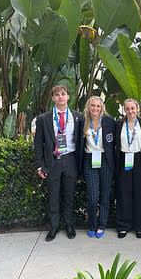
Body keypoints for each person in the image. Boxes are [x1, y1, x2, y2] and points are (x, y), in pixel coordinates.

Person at [34, 85, 83, 241]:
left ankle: (69, 225)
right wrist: (40, 165)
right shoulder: (43, 119)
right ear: (53, 98)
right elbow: (38, 143)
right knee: (53, 196)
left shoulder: (78, 117)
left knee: (69, 195)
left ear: (68, 97)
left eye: (63, 94)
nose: (61, 97)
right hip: (52, 162)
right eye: (57, 95)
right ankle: (54, 227)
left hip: (70, 160)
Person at [80, 96, 115, 239]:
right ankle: (92, 224)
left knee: (105, 195)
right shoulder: (83, 121)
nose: (95, 108)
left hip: (105, 160)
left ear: (102, 108)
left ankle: (102, 225)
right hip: (90, 160)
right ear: (88, 107)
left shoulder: (109, 121)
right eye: (92, 106)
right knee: (93, 197)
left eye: (98, 106)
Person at [115, 99, 141, 239]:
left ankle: (140, 226)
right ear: (124, 110)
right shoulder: (118, 124)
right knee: (124, 194)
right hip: (124, 160)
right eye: (127, 109)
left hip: (140, 160)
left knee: (140, 194)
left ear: (137, 109)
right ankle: (124, 225)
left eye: (133, 108)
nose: (130, 111)